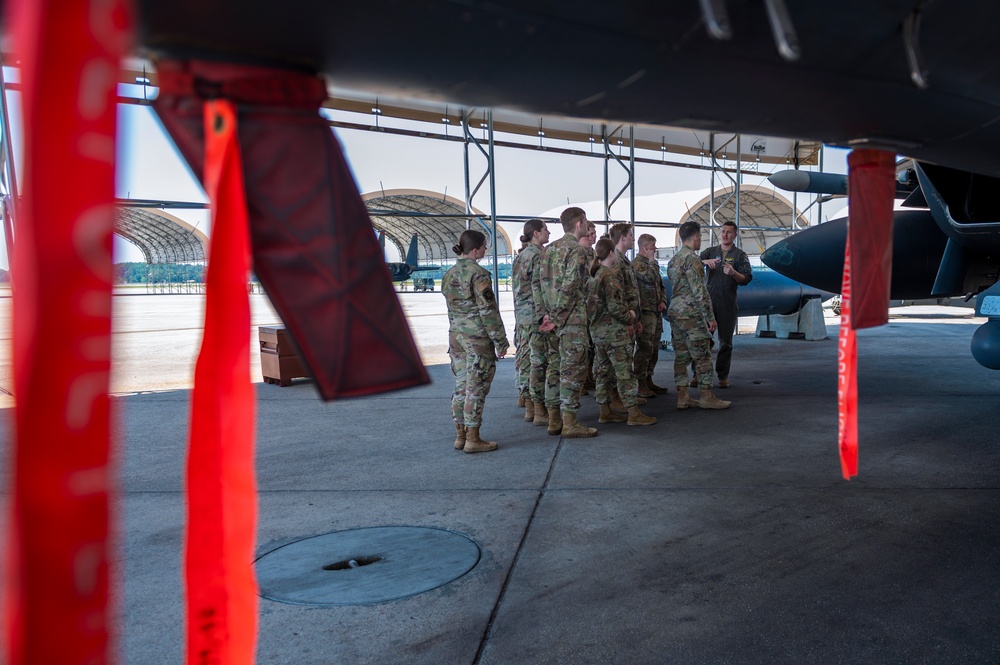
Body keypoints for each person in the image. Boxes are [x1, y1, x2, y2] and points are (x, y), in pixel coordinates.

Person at [442, 230, 511, 452]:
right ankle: (473, 438)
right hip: (477, 339)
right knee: (476, 387)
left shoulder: (449, 274)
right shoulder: (479, 274)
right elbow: (488, 311)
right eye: (484, 246)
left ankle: (460, 436)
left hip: (456, 337)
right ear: (475, 249)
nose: (485, 250)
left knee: (461, 385)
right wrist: (500, 341)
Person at [539, 207, 599, 438]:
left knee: (554, 368)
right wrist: (557, 318)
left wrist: (547, 315)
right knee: (573, 371)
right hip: (570, 320)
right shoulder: (578, 251)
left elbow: (541, 285)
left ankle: (554, 420)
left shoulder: (549, 249)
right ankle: (570, 423)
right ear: (579, 223)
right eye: (585, 223)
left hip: (551, 320)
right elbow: (572, 285)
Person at [588, 238, 656, 426]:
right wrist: (632, 316)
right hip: (614, 334)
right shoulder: (609, 277)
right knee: (624, 373)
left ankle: (605, 411)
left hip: (598, 333)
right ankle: (633, 413)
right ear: (611, 253)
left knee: (602, 373)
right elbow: (616, 308)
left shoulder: (593, 275)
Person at [668, 221, 731, 410]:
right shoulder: (693, 260)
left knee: (681, 356)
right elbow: (699, 292)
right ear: (694, 237)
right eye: (700, 237)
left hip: (676, 312)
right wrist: (710, 317)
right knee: (703, 356)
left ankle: (683, 396)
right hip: (691, 315)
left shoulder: (673, 260)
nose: (700, 241)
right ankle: (706, 396)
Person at [700, 220, 753, 388]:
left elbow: (746, 279)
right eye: (723, 231)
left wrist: (734, 273)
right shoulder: (710, 251)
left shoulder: (739, 255)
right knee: (703, 340)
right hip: (708, 303)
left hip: (727, 303)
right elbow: (692, 261)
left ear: (735, 235)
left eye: (729, 232)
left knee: (726, 343)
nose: (725, 235)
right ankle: (698, 374)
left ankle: (722, 375)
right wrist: (704, 262)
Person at [511, 219, 550, 424]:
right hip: (535, 316)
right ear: (536, 233)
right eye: (545, 230)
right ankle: (538, 408)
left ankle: (528, 405)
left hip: (523, 315)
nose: (549, 233)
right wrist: (544, 314)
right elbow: (539, 287)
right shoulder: (536, 255)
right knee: (538, 362)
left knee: (525, 360)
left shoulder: (521, 256)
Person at [632, 233, 668, 396]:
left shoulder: (652, 264)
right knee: (644, 348)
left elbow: (660, 285)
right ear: (645, 248)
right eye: (653, 247)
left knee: (654, 348)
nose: (655, 250)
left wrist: (662, 300)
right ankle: (640, 382)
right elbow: (649, 277)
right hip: (644, 313)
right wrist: (653, 262)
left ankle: (649, 378)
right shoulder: (637, 265)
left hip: (655, 311)